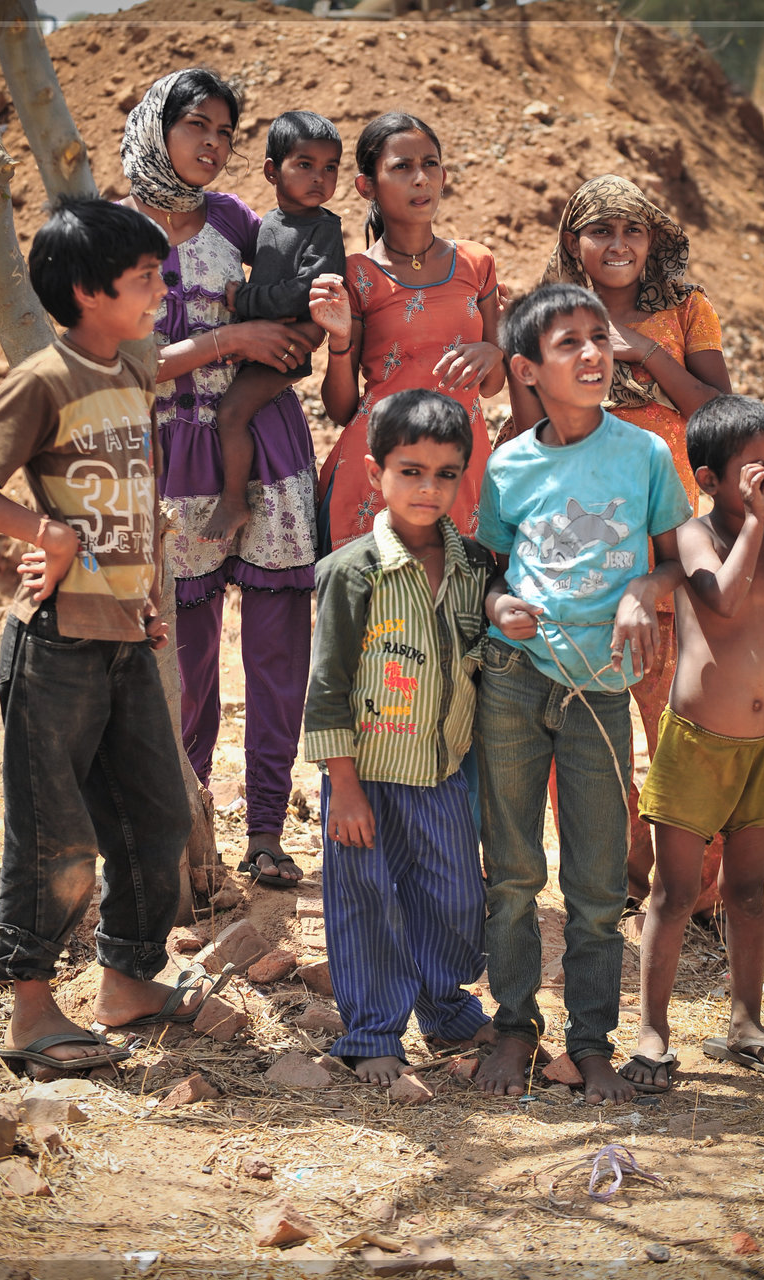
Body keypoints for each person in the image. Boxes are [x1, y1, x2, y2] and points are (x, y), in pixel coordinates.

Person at [0, 197, 207, 1075]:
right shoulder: (45, 377)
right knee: (57, 835)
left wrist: (146, 596)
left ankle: (126, 982)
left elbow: (135, 499)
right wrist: (43, 533)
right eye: (146, 278)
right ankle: (31, 1012)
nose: (161, 290)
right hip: (54, 646)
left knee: (156, 815)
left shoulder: (128, 370)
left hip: (122, 634)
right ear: (90, 292)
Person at [473, 283, 692, 1103]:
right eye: (569, 343)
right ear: (527, 369)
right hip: (513, 678)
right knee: (512, 873)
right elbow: (491, 572)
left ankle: (591, 1041)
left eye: (599, 337)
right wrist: (498, 608)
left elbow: (678, 556)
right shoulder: (509, 464)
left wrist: (645, 589)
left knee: (598, 884)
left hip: (601, 689)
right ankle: (514, 1029)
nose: (593, 353)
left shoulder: (645, 454)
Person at [120, 69, 319, 887]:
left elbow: (294, 318)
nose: (213, 144)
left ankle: (266, 831)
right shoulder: (113, 231)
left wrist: (293, 333)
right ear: (157, 128)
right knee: (186, 660)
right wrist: (229, 341)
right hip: (169, 465)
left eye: (226, 132)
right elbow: (118, 362)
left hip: (265, 448)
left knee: (277, 654)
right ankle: (188, 832)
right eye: (197, 125)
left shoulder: (237, 220)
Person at [624, 396, 764, 1091]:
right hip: (696, 746)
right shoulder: (694, 537)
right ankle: (654, 1031)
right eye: (755, 471)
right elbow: (723, 599)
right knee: (675, 892)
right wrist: (754, 525)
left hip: (762, 749)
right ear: (711, 480)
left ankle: (746, 1022)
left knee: (746, 891)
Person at [537, 174, 731, 920]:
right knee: (586, 725)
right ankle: (615, 872)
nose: (617, 245)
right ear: (573, 240)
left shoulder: (687, 308)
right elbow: (530, 425)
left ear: (653, 238)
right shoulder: (551, 313)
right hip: (582, 551)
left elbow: (718, 414)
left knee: (682, 726)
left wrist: (646, 352)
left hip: (672, 547)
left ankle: (697, 894)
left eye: (633, 230)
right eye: (600, 231)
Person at [304, 388, 496, 1085]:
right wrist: (344, 787)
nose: (428, 488)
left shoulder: (476, 568)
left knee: (455, 899)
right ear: (374, 471)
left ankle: (446, 1010)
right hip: (363, 776)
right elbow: (326, 686)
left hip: (440, 775)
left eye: (446, 474)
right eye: (410, 471)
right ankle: (372, 1032)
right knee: (366, 902)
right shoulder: (352, 572)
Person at [308, 111, 505, 553]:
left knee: (462, 592)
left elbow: (492, 386)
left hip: (460, 466)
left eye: (430, 164)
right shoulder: (356, 274)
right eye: (402, 167)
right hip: (379, 471)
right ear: (367, 186)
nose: (421, 178)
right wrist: (339, 342)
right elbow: (341, 409)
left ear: (444, 176)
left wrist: (495, 353)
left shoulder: (477, 262)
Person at [202, 110, 346, 543]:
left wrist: (244, 299)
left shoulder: (325, 229)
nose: (319, 177)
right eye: (305, 165)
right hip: (257, 342)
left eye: (330, 168)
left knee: (231, 413)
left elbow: (305, 292)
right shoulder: (270, 222)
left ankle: (233, 501)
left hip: (285, 349)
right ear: (272, 172)